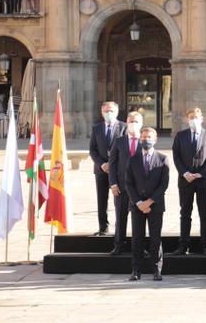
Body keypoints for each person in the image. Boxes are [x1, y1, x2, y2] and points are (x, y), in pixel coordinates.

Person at [171, 108, 206, 256]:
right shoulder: (180, 136)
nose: (193, 119)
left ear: (202, 118)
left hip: (203, 181)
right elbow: (176, 156)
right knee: (185, 213)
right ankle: (183, 245)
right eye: (191, 117)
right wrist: (185, 173)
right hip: (185, 181)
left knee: (204, 214)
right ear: (187, 119)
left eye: (196, 117)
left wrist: (200, 173)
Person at [124, 127, 169, 282]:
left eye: (149, 137)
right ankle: (136, 270)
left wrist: (149, 201)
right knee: (137, 238)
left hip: (155, 205)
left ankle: (157, 269)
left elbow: (163, 185)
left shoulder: (163, 159)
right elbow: (128, 183)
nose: (145, 140)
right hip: (137, 206)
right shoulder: (133, 159)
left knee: (155, 238)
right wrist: (138, 202)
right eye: (143, 137)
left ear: (155, 139)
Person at [107, 111, 143, 256]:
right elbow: (113, 163)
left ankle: (139, 247)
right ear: (126, 123)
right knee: (120, 217)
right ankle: (119, 245)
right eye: (130, 121)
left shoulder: (145, 140)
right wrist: (113, 183)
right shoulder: (119, 141)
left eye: (136, 121)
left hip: (140, 188)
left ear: (141, 124)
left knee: (139, 219)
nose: (133, 124)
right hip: (121, 187)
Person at [89, 101, 126, 236]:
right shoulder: (96, 128)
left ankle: (120, 228)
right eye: (106, 111)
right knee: (102, 199)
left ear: (116, 112)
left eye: (111, 111)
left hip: (118, 170)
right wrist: (102, 164)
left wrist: (113, 164)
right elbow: (93, 150)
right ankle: (103, 227)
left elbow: (125, 149)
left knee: (120, 199)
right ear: (102, 112)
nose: (108, 113)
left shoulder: (124, 127)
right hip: (101, 170)